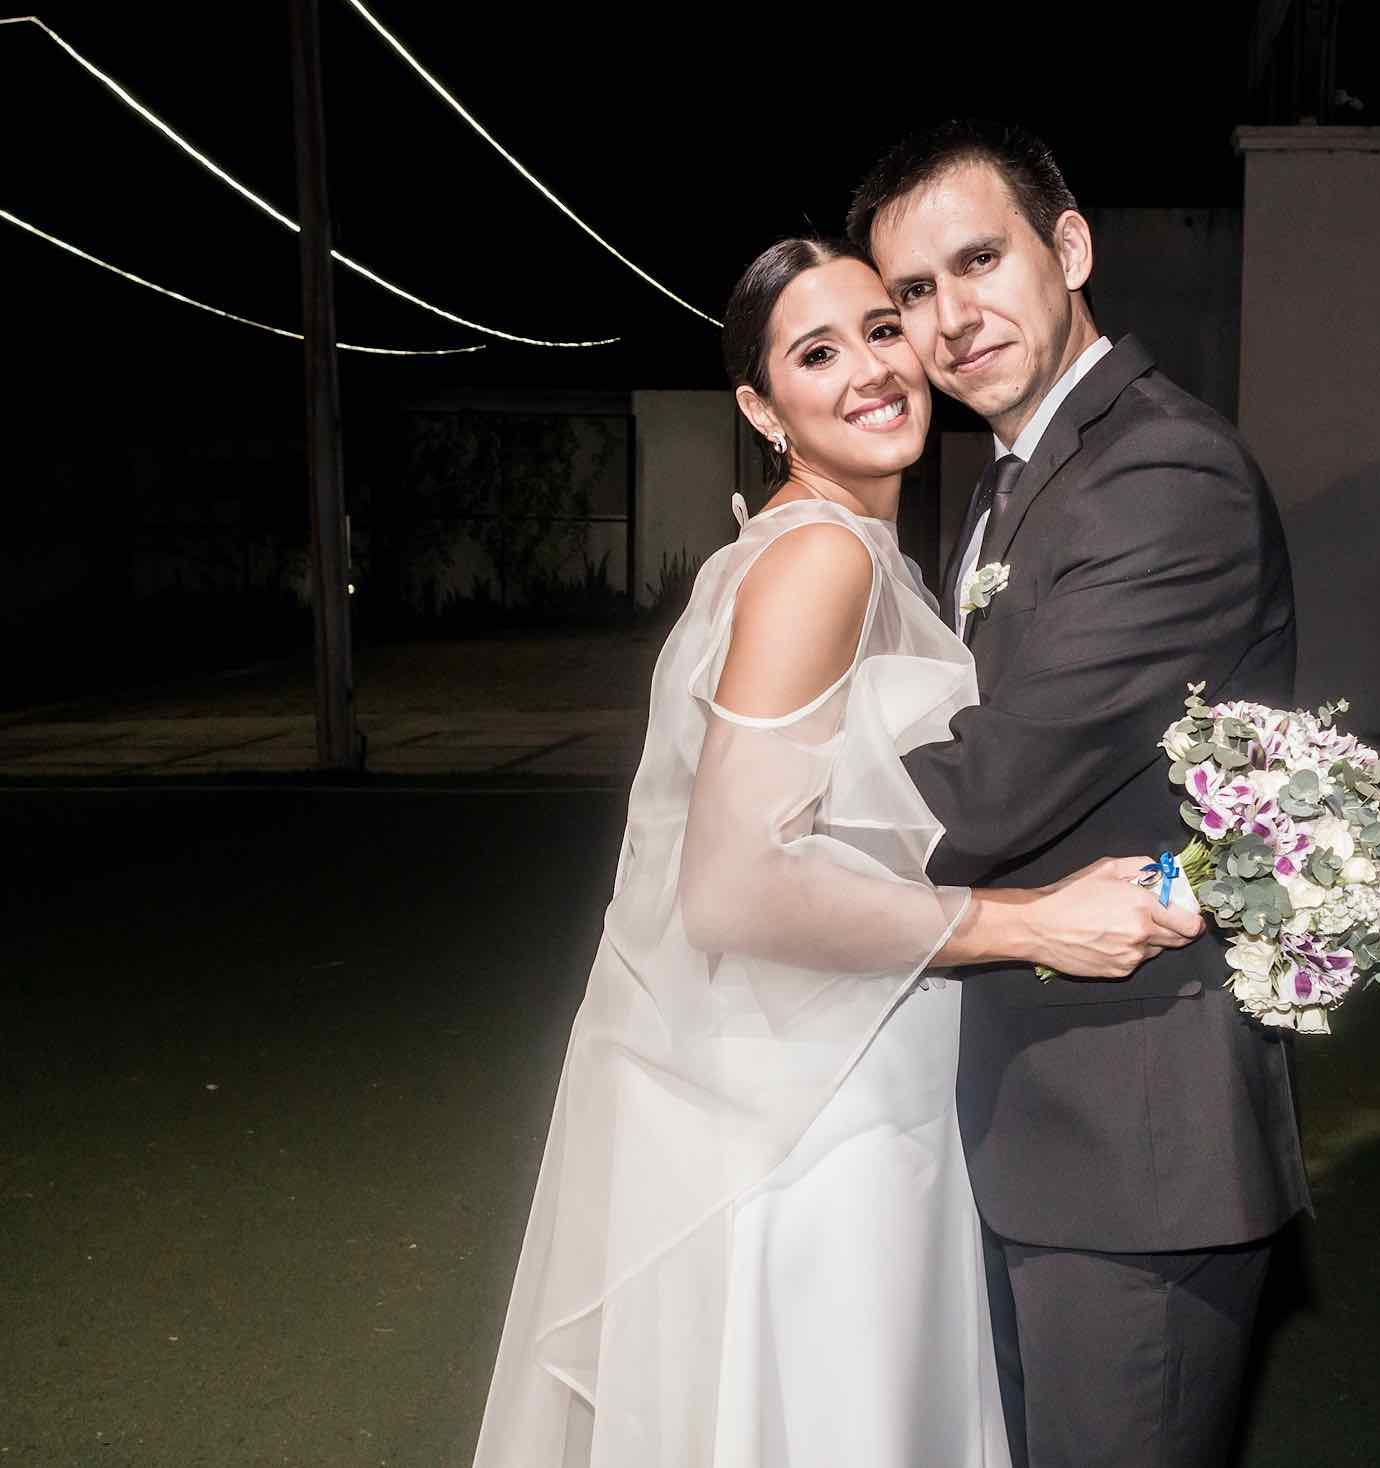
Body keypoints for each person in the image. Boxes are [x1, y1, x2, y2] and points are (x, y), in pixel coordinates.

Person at [469, 235, 1200, 1468]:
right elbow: (732, 887)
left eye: (882, 327)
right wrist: (1030, 921)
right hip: (819, 1099)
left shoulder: (824, 545)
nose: (871, 368)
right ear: (762, 408)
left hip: (829, 1050)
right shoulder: (819, 558)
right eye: (816, 353)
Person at [853, 120, 1312, 1468]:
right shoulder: (1015, 479)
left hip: (1130, 1143)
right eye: (913, 292)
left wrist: (770, 817)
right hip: (1028, 1115)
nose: (949, 318)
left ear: (1069, 247)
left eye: (977, 261)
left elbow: (994, 788)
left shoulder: (1161, 475)